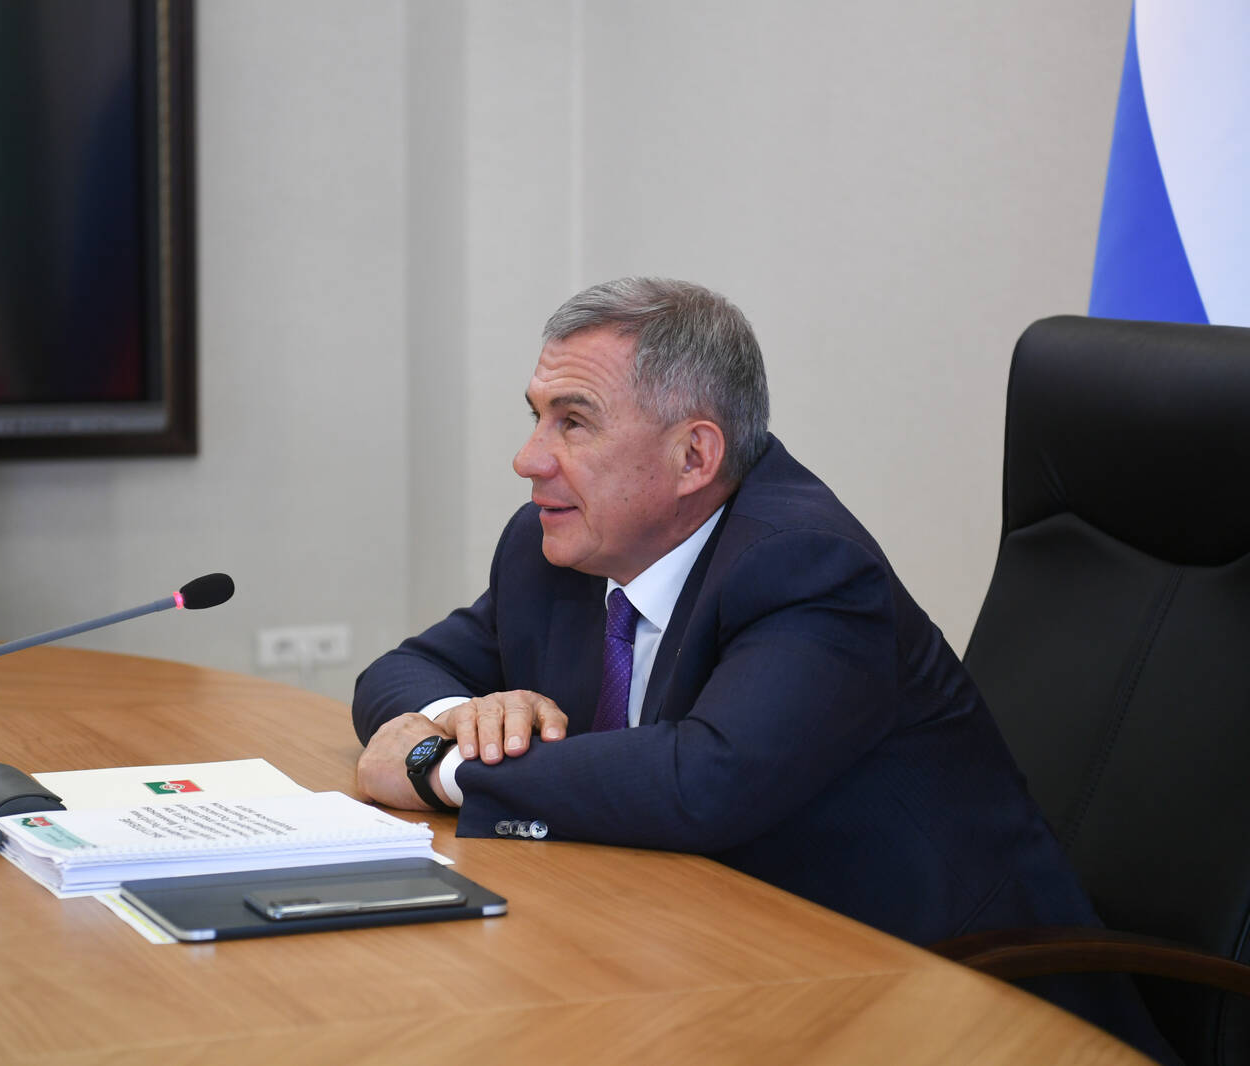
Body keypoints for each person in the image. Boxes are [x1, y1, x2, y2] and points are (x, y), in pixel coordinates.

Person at [352, 277, 1174, 1061]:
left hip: (957, 1000)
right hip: (703, 961)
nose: (528, 459)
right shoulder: (556, 549)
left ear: (694, 455)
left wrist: (441, 767)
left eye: (573, 422)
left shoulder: (806, 566)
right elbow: (404, 670)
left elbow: (705, 779)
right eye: (536, 416)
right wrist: (461, 715)